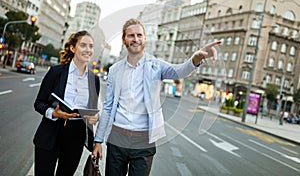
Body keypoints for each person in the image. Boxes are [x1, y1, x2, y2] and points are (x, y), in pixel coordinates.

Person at [92, 18, 221, 176]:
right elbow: (108, 106)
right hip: (117, 138)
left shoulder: (156, 65)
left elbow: (179, 71)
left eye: (139, 35)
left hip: (144, 140)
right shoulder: (115, 70)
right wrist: (98, 140)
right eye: (131, 35)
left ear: (145, 38)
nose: (136, 39)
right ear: (124, 40)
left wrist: (197, 58)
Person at [33, 30, 100, 176]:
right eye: (83, 45)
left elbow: (92, 112)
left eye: (91, 46)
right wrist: (53, 113)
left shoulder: (94, 80)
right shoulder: (56, 72)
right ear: (72, 48)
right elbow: (39, 103)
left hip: (76, 136)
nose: (88, 50)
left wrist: (94, 118)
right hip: (50, 132)